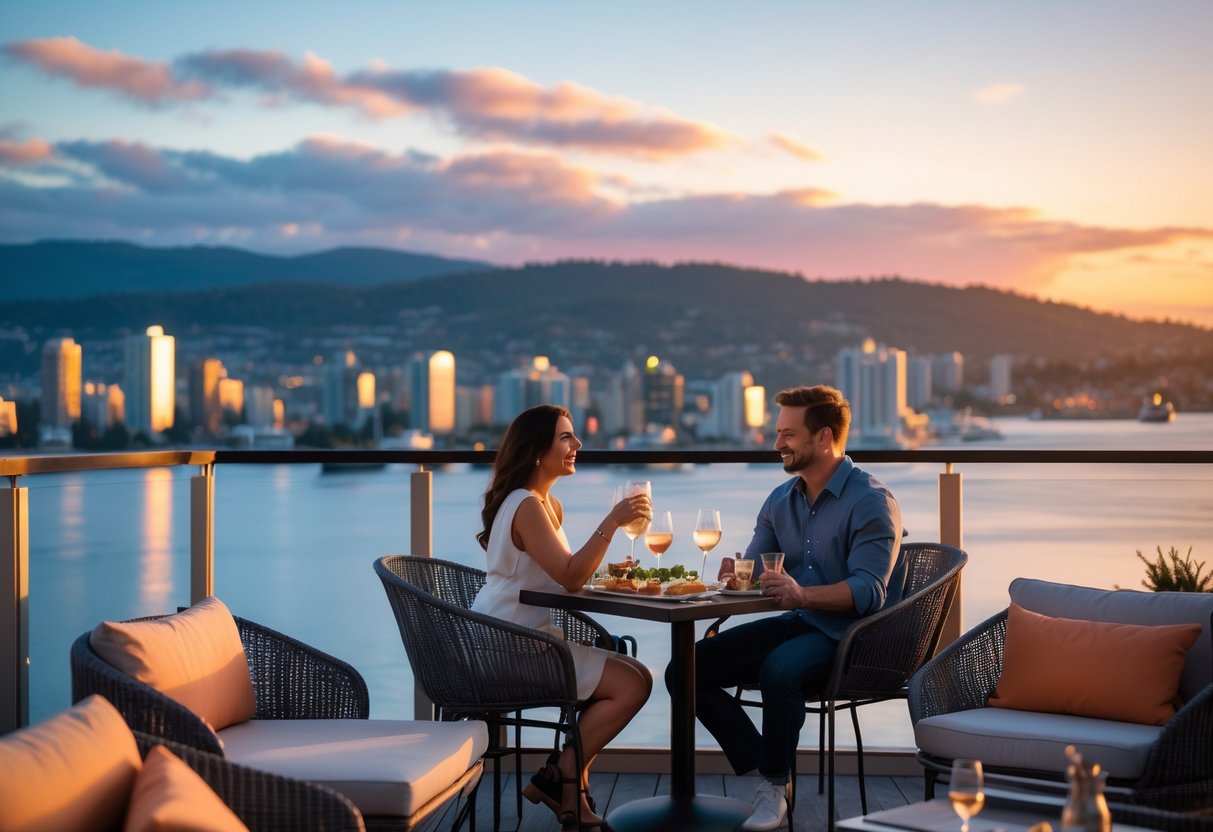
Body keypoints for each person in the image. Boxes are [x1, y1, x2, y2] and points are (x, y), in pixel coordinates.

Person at [666, 385, 905, 831]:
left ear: (824, 437)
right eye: (778, 433)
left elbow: (869, 591)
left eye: (788, 434)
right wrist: (734, 572)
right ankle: (768, 767)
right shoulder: (780, 500)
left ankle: (773, 787)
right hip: (802, 621)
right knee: (684, 668)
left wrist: (803, 595)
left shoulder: (872, 500)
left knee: (779, 670)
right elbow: (755, 567)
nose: (777, 444)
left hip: (854, 636)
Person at [472, 404, 653, 829]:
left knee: (638, 674)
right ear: (537, 450)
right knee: (632, 684)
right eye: (566, 438)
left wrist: (609, 574)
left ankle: (565, 783)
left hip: (525, 635)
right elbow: (571, 577)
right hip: (511, 643)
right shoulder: (527, 506)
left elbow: (562, 574)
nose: (577, 445)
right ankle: (565, 778)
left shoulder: (547, 504)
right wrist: (611, 521)